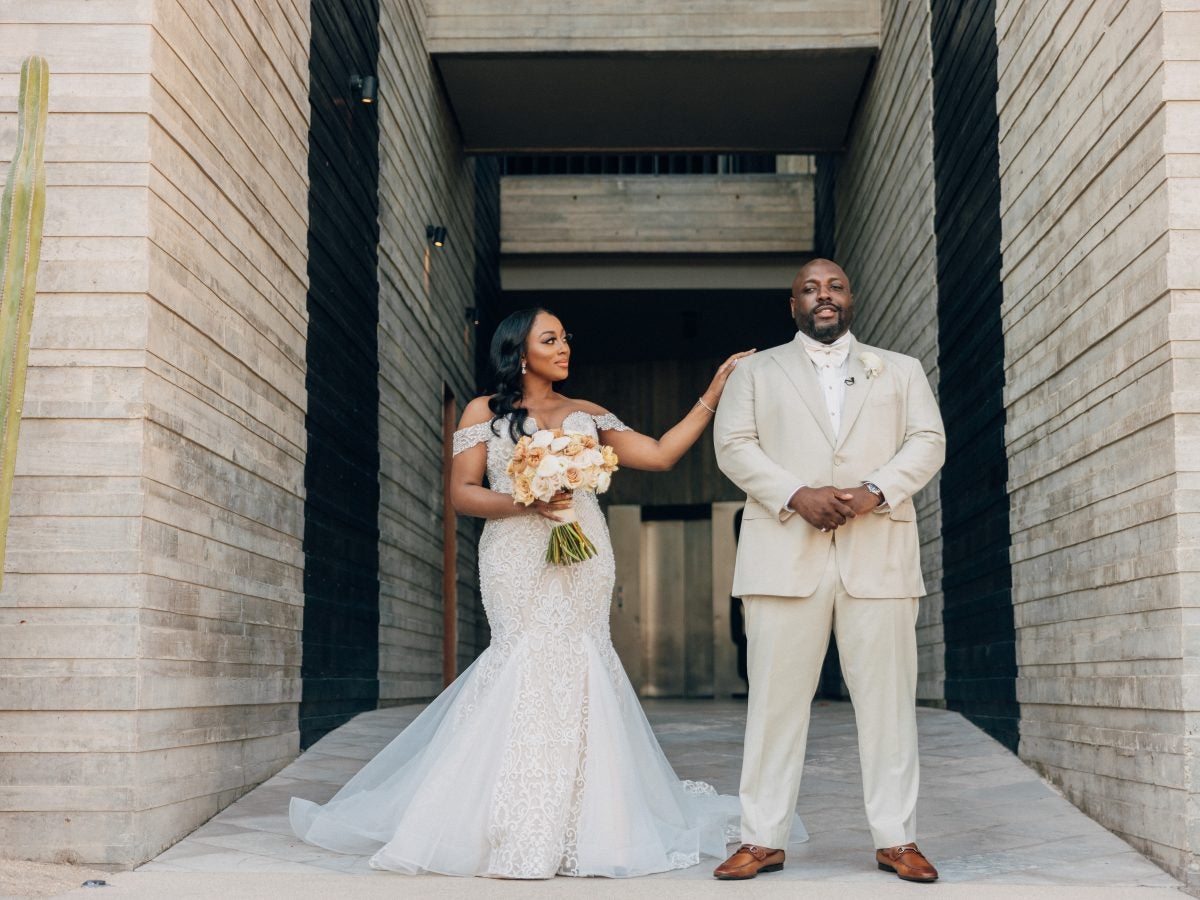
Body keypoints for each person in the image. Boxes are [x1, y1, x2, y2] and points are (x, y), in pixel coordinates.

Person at [291, 307, 791, 878]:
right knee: (522, 658)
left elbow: (659, 455)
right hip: (514, 554)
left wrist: (713, 390)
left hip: (584, 551)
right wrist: (525, 502)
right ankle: (508, 818)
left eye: (565, 338)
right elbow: (462, 493)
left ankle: (584, 818)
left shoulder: (588, 414)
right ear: (518, 351)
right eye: (549, 339)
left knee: (582, 658)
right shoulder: (484, 411)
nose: (563, 348)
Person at [712, 259, 945, 883]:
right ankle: (762, 839)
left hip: (880, 556)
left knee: (889, 704)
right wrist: (795, 494)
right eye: (810, 288)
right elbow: (733, 445)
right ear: (793, 305)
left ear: (851, 298)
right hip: (784, 556)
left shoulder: (901, 369)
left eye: (835, 286)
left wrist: (875, 489)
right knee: (774, 704)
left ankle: (898, 839)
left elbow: (928, 439)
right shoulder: (754, 372)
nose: (824, 296)